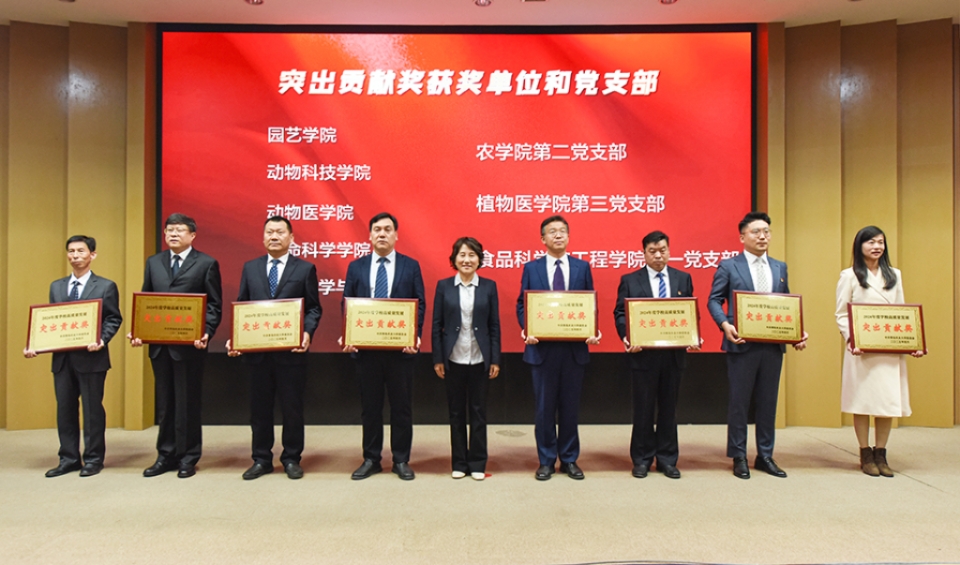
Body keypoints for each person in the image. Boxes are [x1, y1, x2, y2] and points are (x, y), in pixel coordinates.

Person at [707, 211, 807, 479]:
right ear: (742, 237)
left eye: (766, 231)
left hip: (772, 346)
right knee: (739, 403)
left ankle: (765, 455)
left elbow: (785, 304)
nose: (763, 236)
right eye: (756, 232)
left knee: (768, 402)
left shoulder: (779, 267)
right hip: (741, 343)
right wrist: (724, 324)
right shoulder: (729, 266)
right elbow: (714, 300)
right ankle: (738, 455)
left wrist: (797, 332)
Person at [227, 216, 322, 480]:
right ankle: (261, 459)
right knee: (259, 410)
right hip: (257, 355)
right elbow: (243, 305)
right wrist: (236, 338)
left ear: (291, 238)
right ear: (263, 237)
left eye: (280, 232)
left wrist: (307, 333)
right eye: (269, 232)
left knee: (292, 409)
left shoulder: (304, 269)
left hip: (291, 354)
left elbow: (313, 308)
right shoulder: (251, 268)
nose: (274, 236)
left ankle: (291, 458)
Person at [130, 213, 222, 479]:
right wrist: (139, 330)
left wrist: (206, 332)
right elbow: (146, 300)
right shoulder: (154, 262)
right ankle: (165, 455)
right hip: (160, 346)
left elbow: (213, 305)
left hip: (189, 346)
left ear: (192, 235)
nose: (173, 234)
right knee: (165, 403)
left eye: (180, 230)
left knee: (187, 402)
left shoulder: (206, 263)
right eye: (169, 229)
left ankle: (188, 456)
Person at [24, 236, 123, 477]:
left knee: (92, 411)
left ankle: (93, 459)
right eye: (71, 251)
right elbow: (52, 321)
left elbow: (113, 318)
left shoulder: (106, 286)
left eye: (80, 251)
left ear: (92, 255)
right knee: (65, 410)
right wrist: (35, 344)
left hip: (92, 358)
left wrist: (102, 339)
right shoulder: (57, 286)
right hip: (62, 360)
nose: (75, 255)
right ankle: (68, 458)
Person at [341, 212, 426, 481]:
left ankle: (401, 459)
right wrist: (349, 333)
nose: (382, 234)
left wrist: (414, 336)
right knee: (370, 407)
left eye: (388, 229)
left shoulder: (410, 266)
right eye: (377, 229)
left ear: (396, 235)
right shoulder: (356, 266)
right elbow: (347, 303)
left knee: (401, 408)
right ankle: (371, 458)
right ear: (369, 235)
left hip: (400, 352)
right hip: (367, 352)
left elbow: (419, 304)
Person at [517, 215, 601, 481]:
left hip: (573, 350)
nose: (558, 235)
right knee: (544, 409)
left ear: (568, 236)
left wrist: (592, 329)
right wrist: (527, 328)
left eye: (562, 231)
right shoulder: (531, 268)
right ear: (543, 239)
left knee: (569, 408)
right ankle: (546, 460)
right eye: (552, 231)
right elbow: (522, 305)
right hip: (542, 350)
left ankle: (569, 459)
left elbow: (589, 304)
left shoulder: (581, 267)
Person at [835, 226, 924, 477]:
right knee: (862, 401)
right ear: (860, 246)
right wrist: (852, 339)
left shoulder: (894, 274)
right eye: (871, 242)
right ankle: (865, 452)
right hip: (861, 350)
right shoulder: (849, 275)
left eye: (880, 242)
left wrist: (912, 343)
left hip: (888, 349)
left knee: (886, 402)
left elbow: (902, 312)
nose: (876, 247)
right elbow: (841, 314)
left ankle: (881, 453)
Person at [613, 230, 697, 479]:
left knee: (669, 409)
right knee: (643, 409)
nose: (658, 255)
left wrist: (693, 335)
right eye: (652, 251)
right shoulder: (630, 280)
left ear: (669, 251)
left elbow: (690, 311)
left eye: (662, 250)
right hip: (643, 355)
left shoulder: (683, 278)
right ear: (644, 253)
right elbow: (620, 313)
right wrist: (627, 337)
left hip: (673, 355)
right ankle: (641, 459)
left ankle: (667, 459)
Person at [432, 237, 501, 481]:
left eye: (472, 255)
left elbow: (494, 325)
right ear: (454, 259)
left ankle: (478, 463)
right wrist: (438, 358)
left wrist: (495, 359)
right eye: (462, 255)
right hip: (453, 358)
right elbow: (437, 325)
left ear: (479, 259)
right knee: (456, 413)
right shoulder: (444, 286)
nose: (467, 260)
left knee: (479, 412)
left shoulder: (489, 287)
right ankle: (459, 463)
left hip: (480, 358)